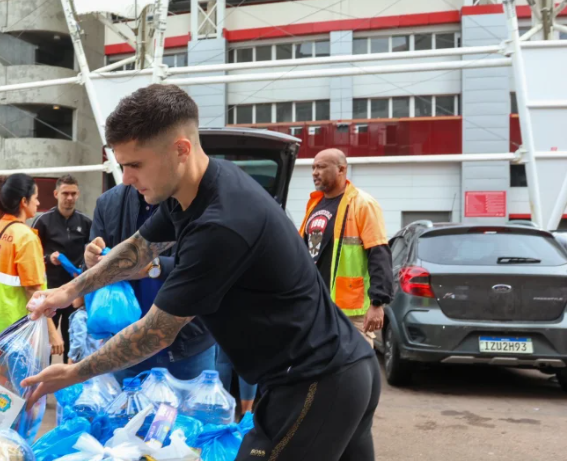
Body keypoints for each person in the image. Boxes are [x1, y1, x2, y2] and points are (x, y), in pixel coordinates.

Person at [22, 84, 380, 461]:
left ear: (181, 149)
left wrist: (75, 372)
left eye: (135, 164)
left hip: (314, 382)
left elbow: (156, 333)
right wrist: (67, 291)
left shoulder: (219, 226)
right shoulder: (196, 189)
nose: (125, 178)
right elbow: (138, 247)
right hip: (341, 368)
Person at [86, 183, 216, 382]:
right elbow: (94, 262)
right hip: (127, 342)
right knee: (127, 412)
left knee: (192, 411)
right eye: (124, 165)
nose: (127, 176)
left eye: (136, 164)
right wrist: (91, 258)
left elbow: (209, 265)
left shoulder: (196, 199)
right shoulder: (108, 202)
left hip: (188, 345)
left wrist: (154, 267)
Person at [300, 149, 392, 347]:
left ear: (341, 169)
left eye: (321, 167)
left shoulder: (362, 204)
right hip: (317, 306)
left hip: (351, 312)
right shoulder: (315, 204)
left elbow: (379, 253)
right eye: (313, 167)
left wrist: (377, 303)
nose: (315, 172)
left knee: (356, 370)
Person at [0, 173, 64, 355]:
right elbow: (33, 291)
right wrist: (53, 333)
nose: (38, 203)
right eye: (35, 198)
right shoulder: (25, 237)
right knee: (18, 383)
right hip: (14, 329)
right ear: (23, 201)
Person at [32, 175, 91, 363]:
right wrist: (49, 258)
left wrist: (82, 269)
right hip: (51, 290)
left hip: (75, 290)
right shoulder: (43, 221)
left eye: (73, 193)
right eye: (65, 193)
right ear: (56, 194)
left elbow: (92, 255)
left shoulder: (86, 222)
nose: (70, 198)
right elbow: (31, 256)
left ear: (78, 194)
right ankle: (44, 379)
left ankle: (70, 382)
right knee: (47, 340)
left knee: (74, 338)